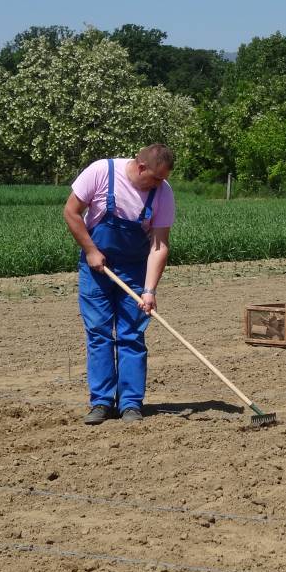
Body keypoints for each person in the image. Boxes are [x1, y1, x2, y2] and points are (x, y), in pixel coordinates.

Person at [63, 144, 175, 425]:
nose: (159, 185)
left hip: (135, 270)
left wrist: (149, 290)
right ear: (140, 168)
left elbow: (159, 245)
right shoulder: (102, 172)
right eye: (155, 179)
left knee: (132, 334)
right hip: (96, 268)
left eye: (163, 179)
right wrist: (90, 250)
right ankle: (101, 402)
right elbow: (71, 212)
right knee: (99, 333)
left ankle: (131, 404)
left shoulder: (163, 192)